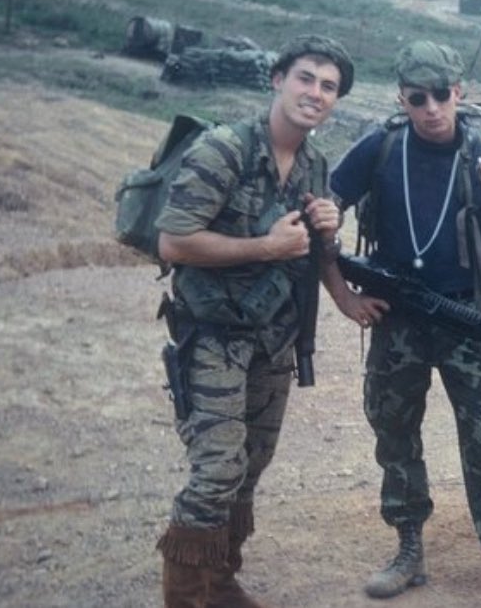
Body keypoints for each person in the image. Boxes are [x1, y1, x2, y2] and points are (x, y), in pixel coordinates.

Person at [328, 41, 481, 607]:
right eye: (417, 98)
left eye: (441, 95)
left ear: (459, 92)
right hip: (395, 315)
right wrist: (341, 294)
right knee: (394, 433)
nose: (431, 108)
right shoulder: (380, 147)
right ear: (402, 98)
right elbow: (320, 214)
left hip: (461, 314)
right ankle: (408, 551)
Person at [154, 34, 355, 607]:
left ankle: (218, 582)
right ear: (277, 79)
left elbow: (312, 252)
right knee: (216, 469)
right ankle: (185, 597)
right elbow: (174, 241)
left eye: (328, 86)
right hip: (213, 334)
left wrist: (328, 231)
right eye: (306, 78)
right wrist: (265, 248)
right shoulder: (225, 149)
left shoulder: (315, 164)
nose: (315, 93)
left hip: (273, 341)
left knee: (250, 466)